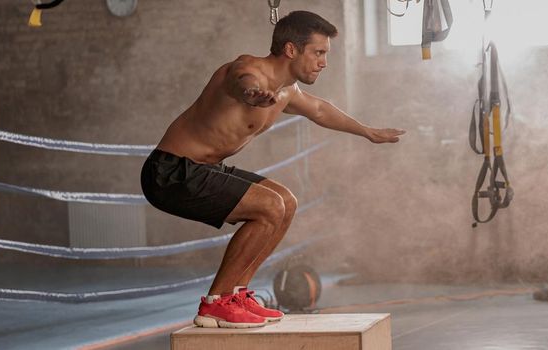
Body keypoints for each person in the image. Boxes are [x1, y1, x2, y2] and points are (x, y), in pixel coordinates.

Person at [140, 11, 405, 329]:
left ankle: (236, 295)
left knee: (286, 201)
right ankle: (216, 303)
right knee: (269, 206)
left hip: (203, 169)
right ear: (292, 49)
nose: (323, 62)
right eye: (318, 53)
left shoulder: (287, 91)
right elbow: (241, 81)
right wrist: (251, 93)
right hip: (169, 172)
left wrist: (368, 132)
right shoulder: (248, 68)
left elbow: (320, 110)